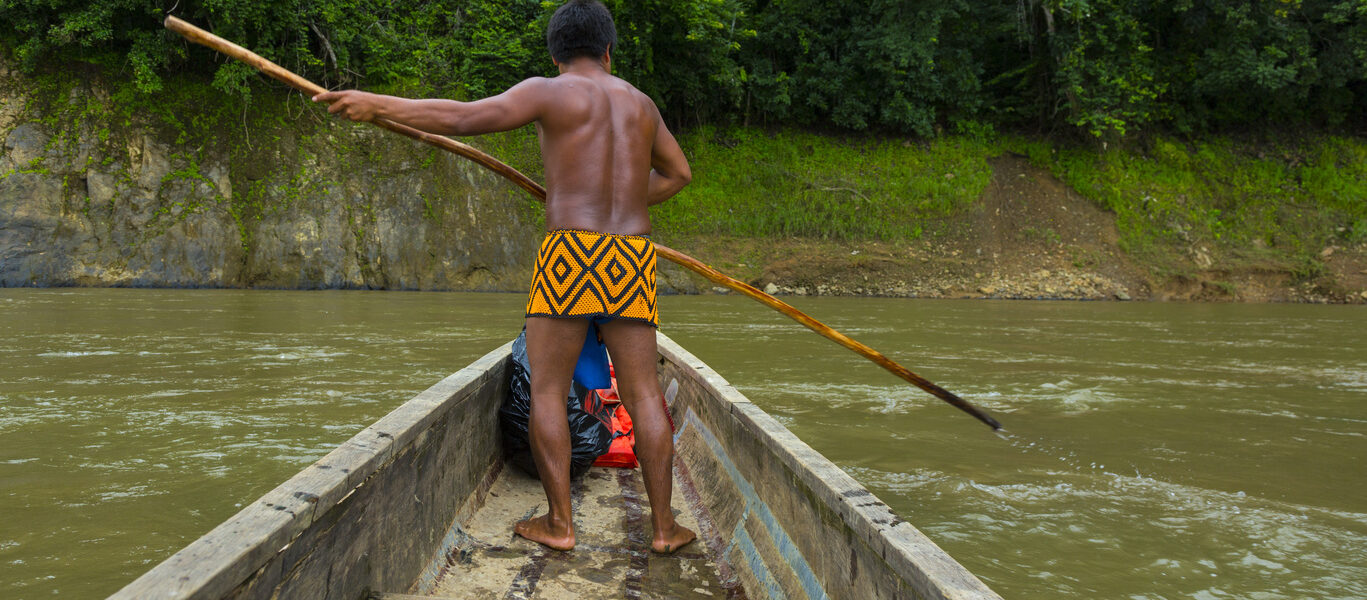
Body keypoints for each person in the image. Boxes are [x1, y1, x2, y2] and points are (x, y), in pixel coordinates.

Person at [312, 0, 696, 554]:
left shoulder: (550, 91)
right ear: (609, 51)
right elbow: (678, 174)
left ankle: (560, 524)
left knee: (547, 389)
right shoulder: (642, 104)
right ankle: (665, 528)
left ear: (556, 54)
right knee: (643, 393)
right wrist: (630, 200)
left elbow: (463, 118)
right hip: (631, 254)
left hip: (572, 251)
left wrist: (377, 105)